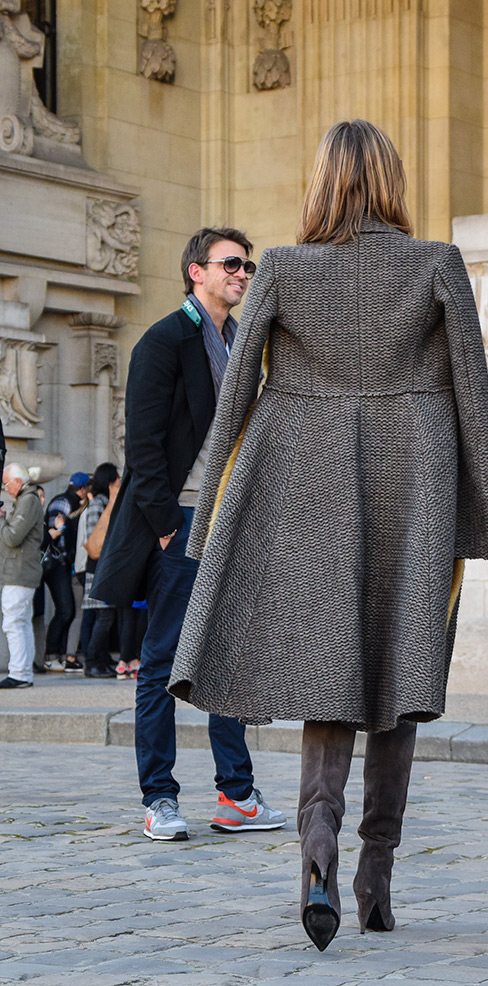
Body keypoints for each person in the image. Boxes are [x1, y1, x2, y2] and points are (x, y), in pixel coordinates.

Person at [168, 119, 488, 950]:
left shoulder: (283, 269)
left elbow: (236, 398)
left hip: (308, 486)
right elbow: (474, 394)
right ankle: (376, 881)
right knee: (399, 682)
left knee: (329, 684)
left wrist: (209, 514)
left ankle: (316, 854)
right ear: (391, 179)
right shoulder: (437, 262)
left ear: (323, 181)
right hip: (418, 488)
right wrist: (487, 520)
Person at [90, 226, 285, 841]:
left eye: (248, 266)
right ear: (195, 271)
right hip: (183, 524)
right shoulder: (164, 341)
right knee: (162, 664)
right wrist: (172, 529)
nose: (243, 274)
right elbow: (142, 452)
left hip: (230, 519)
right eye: (231, 264)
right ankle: (160, 799)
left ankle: (236, 796)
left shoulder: (239, 343)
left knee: (227, 659)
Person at [0, 464, 44, 688]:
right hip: (22, 571)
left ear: (18, 482)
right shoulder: (29, 499)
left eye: (6, 484)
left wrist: (1, 520)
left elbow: (12, 538)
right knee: (22, 622)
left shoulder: (28, 500)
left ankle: (18, 673)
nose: (5, 489)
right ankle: (23, 673)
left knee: (13, 623)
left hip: (18, 572)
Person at [42, 471, 89, 671]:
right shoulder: (62, 503)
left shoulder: (70, 503)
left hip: (64, 564)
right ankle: (51, 654)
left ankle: (58, 654)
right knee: (65, 610)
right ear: (82, 489)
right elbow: (53, 536)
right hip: (57, 565)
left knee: (68, 610)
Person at [81, 463, 120, 678]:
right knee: (103, 617)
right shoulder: (98, 504)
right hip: (99, 569)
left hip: (105, 568)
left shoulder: (105, 502)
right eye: (117, 478)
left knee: (106, 616)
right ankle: (91, 661)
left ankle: (101, 659)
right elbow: (95, 541)